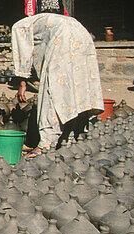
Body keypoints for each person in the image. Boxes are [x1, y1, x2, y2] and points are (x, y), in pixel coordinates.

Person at [12, 13, 104, 156]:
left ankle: (46, 145)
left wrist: (22, 81)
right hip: (82, 34)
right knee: (78, 87)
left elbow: (23, 55)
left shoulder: (19, 28)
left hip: (64, 38)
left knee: (52, 92)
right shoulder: (42, 22)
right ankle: (73, 134)